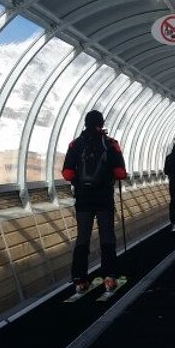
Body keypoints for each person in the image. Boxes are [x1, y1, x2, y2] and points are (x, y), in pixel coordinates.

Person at [61, 110, 127, 293]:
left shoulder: (75, 144)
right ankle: (109, 275)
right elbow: (120, 173)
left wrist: (80, 180)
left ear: (85, 123)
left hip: (83, 199)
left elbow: (67, 174)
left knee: (83, 237)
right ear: (101, 123)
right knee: (107, 235)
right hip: (104, 197)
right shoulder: (110, 144)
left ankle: (79, 278)